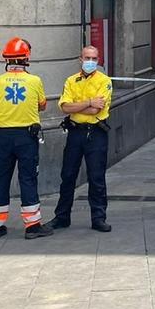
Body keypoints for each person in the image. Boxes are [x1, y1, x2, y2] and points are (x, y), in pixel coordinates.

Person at [0, 37, 52, 239]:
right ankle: (32, 226)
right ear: (26, 58)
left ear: (7, 59)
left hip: (3, 137)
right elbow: (42, 105)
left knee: (1, 178)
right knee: (28, 178)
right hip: (26, 136)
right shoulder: (34, 81)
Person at [48, 45, 115, 233]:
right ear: (80, 59)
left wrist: (79, 106)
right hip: (75, 132)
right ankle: (62, 217)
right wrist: (88, 102)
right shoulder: (71, 81)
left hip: (96, 133)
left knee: (96, 177)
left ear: (98, 59)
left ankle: (98, 218)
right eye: (87, 58)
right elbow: (64, 107)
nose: (90, 62)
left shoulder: (104, 81)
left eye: (94, 59)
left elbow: (97, 109)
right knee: (68, 175)